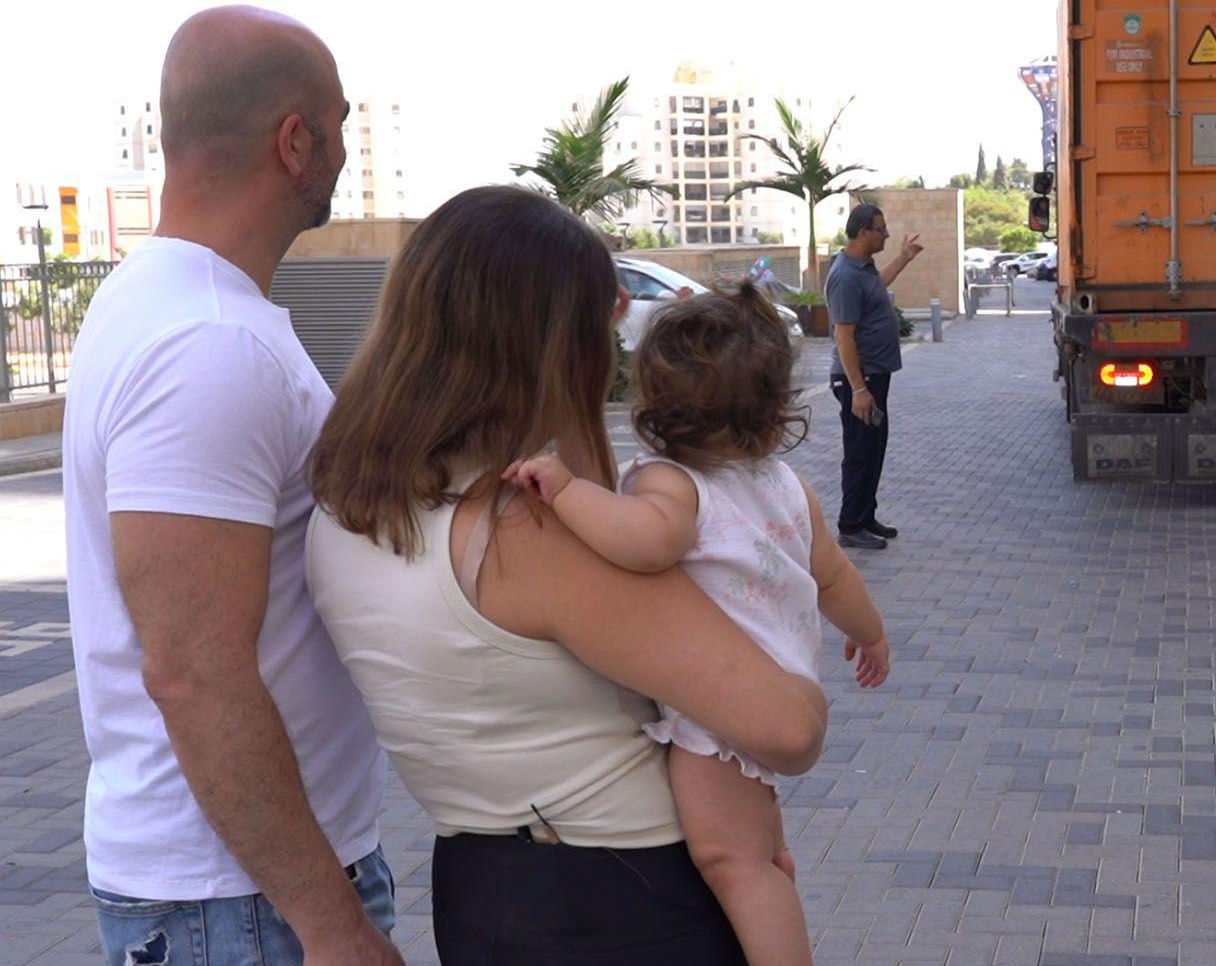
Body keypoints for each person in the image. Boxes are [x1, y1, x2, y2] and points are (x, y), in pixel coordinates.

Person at [306, 186, 830, 963]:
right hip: (628, 900)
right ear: (555, 347)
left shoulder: (342, 512)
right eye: (597, 336)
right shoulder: (523, 537)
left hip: (481, 891)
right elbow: (788, 729)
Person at [61, 7, 398, 966]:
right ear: (296, 142)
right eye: (339, 123)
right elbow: (193, 671)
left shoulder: (160, 301)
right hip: (245, 905)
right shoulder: (208, 343)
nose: (344, 150)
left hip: (237, 892)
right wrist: (333, 926)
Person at [503, 281, 889, 966]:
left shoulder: (671, 483)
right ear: (773, 413)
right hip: (778, 679)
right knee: (759, 853)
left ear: (654, 407)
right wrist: (871, 633)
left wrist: (567, 490)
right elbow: (833, 576)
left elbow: (644, 543)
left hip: (719, 715)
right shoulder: (784, 483)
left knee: (733, 863)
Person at [827, 203, 923, 550]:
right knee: (859, 452)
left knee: (873, 448)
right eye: (881, 229)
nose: (886, 235)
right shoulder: (845, 276)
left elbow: (878, 286)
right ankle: (850, 525)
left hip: (874, 377)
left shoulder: (862, 268)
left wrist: (904, 258)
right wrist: (858, 389)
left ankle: (865, 516)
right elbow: (844, 336)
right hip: (859, 379)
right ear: (864, 232)